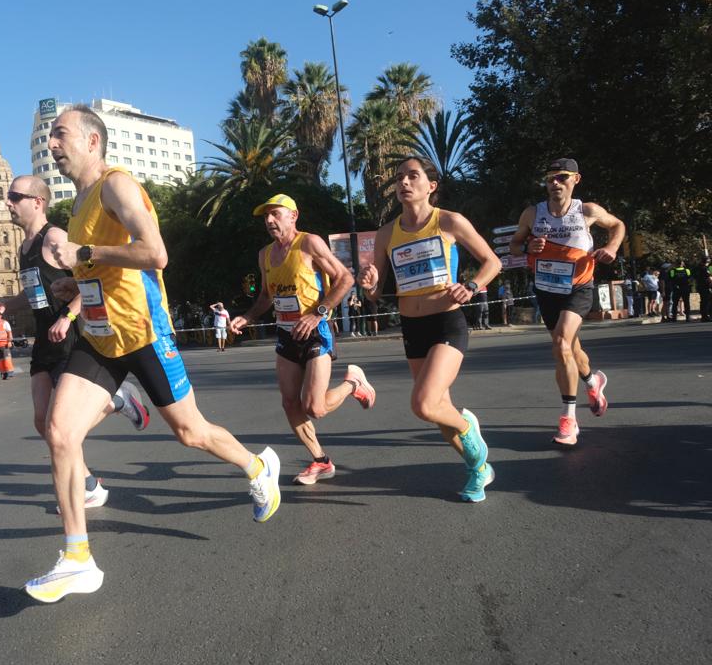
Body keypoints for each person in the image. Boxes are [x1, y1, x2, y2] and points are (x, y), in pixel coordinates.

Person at [23, 105, 281, 603]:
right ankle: (78, 558)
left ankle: (256, 467)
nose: (52, 145)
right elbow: (96, 268)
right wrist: (71, 283)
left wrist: (86, 257)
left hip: (143, 332)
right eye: (49, 137)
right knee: (58, 430)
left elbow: (155, 254)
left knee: (190, 432)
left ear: (92, 141)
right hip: (100, 338)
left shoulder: (116, 186)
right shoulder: (77, 205)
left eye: (60, 135)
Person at [358, 156, 501, 502]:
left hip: (446, 322)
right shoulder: (386, 233)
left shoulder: (449, 221)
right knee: (439, 413)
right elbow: (376, 290)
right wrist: (369, 283)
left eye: (413, 176)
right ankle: (478, 469)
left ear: (431, 186)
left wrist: (471, 286)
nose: (403, 183)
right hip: (412, 326)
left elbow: (492, 262)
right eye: (399, 178)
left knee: (424, 404)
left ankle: (469, 429)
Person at [9, 173, 150, 511]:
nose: (8, 203)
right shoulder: (24, 248)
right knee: (42, 421)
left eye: (15, 197)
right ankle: (89, 483)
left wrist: (68, 317)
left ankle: (119, 403)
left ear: (37, 202)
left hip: (69, 334)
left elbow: (88, 282)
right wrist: (5, 304)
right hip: (45, 336)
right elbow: (33, 293)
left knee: (61, 424)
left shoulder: (54, 237)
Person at [230, 193, 372, 485]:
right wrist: (249, 317)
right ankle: (321, 461)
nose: (269, 220)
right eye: (266, 216)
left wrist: (319, 313)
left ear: (293, 216)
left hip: (316, 332)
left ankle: (353, 383)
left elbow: (345, 277)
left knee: (315, 407)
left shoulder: (309, 243)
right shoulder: (265, 254)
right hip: (286, 334)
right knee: (289, 403)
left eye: (276, 214)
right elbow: (267, 296)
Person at [509, 158, 625, 445]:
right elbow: (514, 245)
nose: (555, 183)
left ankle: (568, 419)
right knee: (571, 349)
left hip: (578, 287)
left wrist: (611, 247)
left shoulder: (587, 210)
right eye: (550, 179)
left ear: (576, 179)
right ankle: (592, 381)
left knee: (561, 343)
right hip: (547, 288)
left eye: (562, 177)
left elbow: (618, 225)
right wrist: (527, 247)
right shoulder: (532, 214)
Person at [693, 255, 711, 322]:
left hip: (699, 286)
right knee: (706, 301)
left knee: (703, 301)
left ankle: (704, 316)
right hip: (705, 286)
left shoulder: (697, 268)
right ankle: (705, 316)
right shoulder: (704, 268)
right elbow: (709, 277)